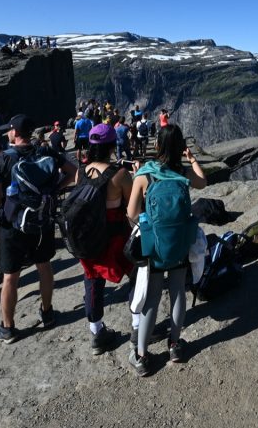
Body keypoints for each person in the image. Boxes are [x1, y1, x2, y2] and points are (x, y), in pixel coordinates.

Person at [0, 114, 77, 343]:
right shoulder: (46, 152)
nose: (7, 132)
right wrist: (55, 189)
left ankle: (8, 327)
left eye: (9, 129)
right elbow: (74, 172)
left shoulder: (1, 160)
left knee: (10, 277)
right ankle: (47, 313)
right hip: (42, 220)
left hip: (13, 224)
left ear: (15, 133)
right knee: (44, 266)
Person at [127, 124, 207, 375]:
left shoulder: (145, 175)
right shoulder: (182, 173)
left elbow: (131, 214)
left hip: (155, 247)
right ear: (180, 147)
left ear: (157, 146)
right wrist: (192, 160)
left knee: (151, 299)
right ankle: (174, 344)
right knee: (178, 292)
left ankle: (141, 357)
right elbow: (203, 182)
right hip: (180, 243)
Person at [78, 124, 135, 353]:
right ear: (112, 146)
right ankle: (139, 326)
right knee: (136, 273)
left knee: (92, 279)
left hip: (89, 238)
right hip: (115, 236)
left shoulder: (80, 172)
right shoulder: (119, 175)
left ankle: (96, 332)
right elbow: (133, 208)